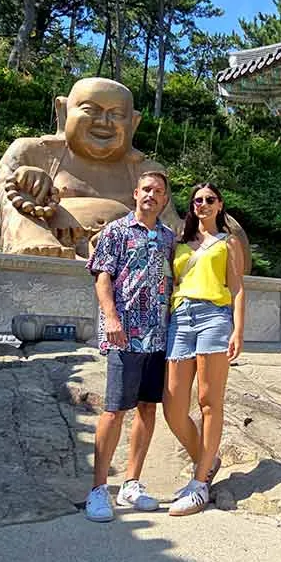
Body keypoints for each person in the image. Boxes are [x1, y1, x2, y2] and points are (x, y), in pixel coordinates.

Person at [82, 171, 177, 522]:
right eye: (147, 189)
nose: (152, 195)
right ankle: (97, 489)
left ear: (165, 199)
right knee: (113, 410)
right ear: (136, 193)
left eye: (159, 192)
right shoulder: (117, 231)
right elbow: (102, 276)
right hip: (126, 334)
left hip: (158, 336)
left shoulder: (168, 238)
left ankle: (132, 483)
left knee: (147, 409)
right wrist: (112, 319)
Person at [162, 183, 246, 517]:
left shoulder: (229, 242)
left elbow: (237, 287)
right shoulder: (179, 242)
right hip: (181, 319)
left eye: (210, 200)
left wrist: (238, 329)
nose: (203, 204)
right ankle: (207, 460)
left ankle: (199, 483)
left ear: (220, 205)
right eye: (198, 200)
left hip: (214, 317)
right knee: (173, 404)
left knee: (209, 402)